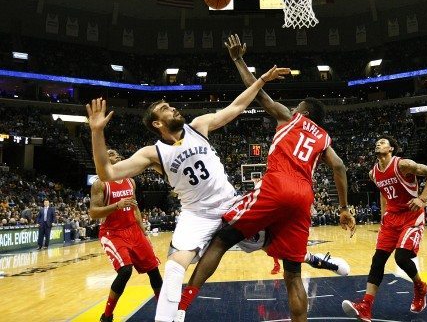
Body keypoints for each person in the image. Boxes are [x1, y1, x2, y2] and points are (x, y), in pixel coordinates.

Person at [174, 34, 356, 322]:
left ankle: (182, 304)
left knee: (222, 239)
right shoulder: (324, 137)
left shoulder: (290, 117)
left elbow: (256, 92)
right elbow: (340, 167)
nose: (294, 108)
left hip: (278, 185)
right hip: (303, 196)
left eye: (298, 106)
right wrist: (344, 208)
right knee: (293, 274)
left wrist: (237, 59)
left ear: (303, 111)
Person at [86, 65, 289, 322]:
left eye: (171, 106)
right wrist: (96, 132)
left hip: (230, 204)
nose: (173, 108)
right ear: (158, 123)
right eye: (166, 109)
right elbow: (107, 173)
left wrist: (261, 79)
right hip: (196, 215)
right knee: (172, 267)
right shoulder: (153, 153)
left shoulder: (198, 126)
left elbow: (236, 107)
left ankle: (313, 258)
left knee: (277, 239)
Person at [341, 136, 427, 322]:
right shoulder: (373, 173)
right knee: (377, 261)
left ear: (391, 149)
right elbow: (383, 194)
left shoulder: (403, 164)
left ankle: (420, 287)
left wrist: (422, 198)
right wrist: (382, 218)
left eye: (383, 142)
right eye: (376, 142)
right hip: (391, 219)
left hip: (411, 215)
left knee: (401, 257)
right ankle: (365, 306)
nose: (378, 143)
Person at [89, 149, 163, 322]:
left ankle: (164, 313)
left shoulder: (130, 181)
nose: (117, 155)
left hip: (134, 231)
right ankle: (106, 316)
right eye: (112, 153)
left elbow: (135, 207)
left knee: (154, 272)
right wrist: (117, 205)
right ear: (105, 159)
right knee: (125, 271)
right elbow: (93, 212)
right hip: (113, 232)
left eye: (117, 154)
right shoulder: (100, 183)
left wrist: (144, 233)